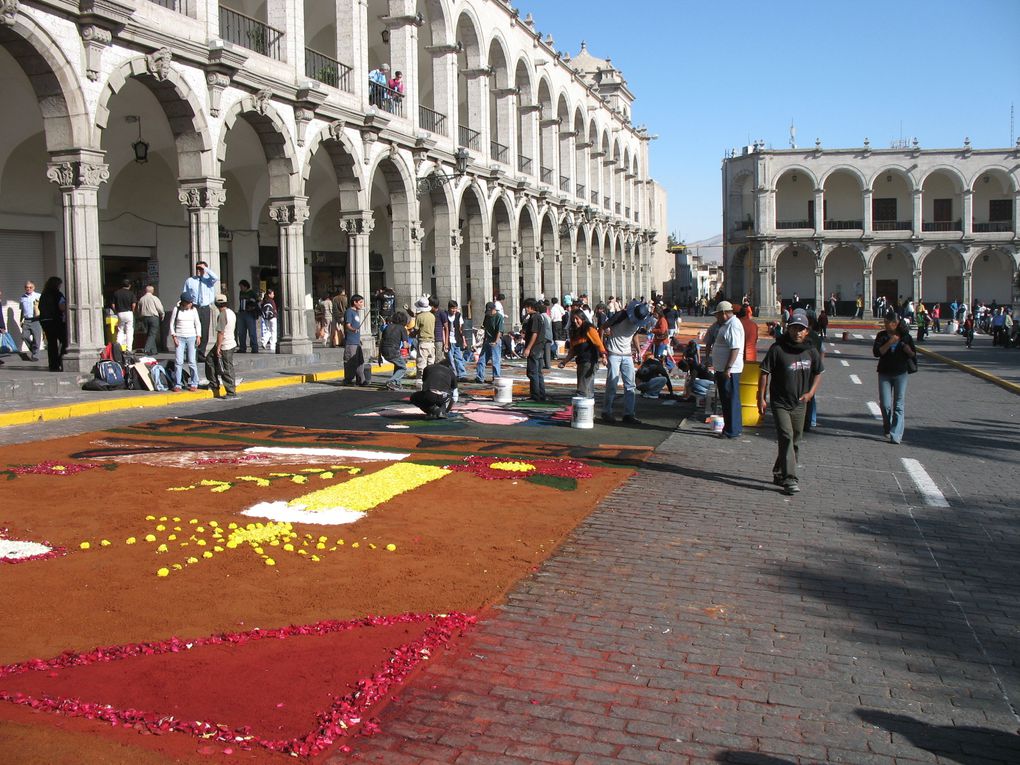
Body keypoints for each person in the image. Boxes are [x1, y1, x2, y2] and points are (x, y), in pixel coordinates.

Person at [757, 309, 824, 496]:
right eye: (794, 328)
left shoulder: (810, 351)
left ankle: (780, 471)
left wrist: (811, 393)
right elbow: (764, 372)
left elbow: (819, 372)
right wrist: (761, 397)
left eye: (801, 329)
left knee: (794, 440)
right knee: (786, 436)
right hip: (780, 402)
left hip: (800, 403)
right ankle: (790, 479)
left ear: (807, 331)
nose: (797, 332)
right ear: (788, 328)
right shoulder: (778, 349)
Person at [600, 299, 650, 425]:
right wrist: (602, 351)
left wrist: (638, 350)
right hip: (614, 353)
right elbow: (602, 328)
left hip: (627, 354)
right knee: (612, 384)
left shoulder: (638, 321)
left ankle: (629, 414)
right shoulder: (621, 315)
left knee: (630, 385)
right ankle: (606, 411)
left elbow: (634, 335)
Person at [873, 310, 917, 445]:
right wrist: (890, 342)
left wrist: (904, 346)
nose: (885, 325)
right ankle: (887, 426)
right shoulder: (882, 336)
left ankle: (896, 434)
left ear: (895, 323)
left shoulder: (905, 336)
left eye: (887, 323)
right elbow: (877, 352)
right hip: (885, 373)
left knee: (898, 405)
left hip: (900, 373)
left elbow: (912, 354)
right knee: (885, 404)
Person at [708, 300, 745, 439]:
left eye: (717, 315)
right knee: (727, 399)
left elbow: (735, 348)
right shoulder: (727, 324)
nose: (716, 318)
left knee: (730, 399)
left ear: (724, 313)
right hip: (724, 368)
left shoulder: (733, 325)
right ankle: (731, 428)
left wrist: (728, 368)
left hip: (730, 370)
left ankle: (732, 430)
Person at [559, 308, 607, 398]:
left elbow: (598, 343)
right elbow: (573, 351)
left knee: (582, 388)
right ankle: (587, 408)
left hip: (590, 361)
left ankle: (582, 408)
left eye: (577, 319)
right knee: (586, 387)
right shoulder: (574, 332)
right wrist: (564, 362)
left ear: (583, 318)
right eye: (573, 319)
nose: (575, 321)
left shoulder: (589, 328)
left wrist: (604, 356)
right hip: (581, 361)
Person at [182, 261, 217, 362]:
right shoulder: (190, 280)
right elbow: (185, 293)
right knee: (193, 331)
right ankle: (192, 354)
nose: (199, 270)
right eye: (198, 268)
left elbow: (216, 278)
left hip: (205, 308)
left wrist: (205, 269)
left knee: (204, 331)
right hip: (194, 307)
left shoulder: (209, 280)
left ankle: (201, 354)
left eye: (201, 269)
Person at [206, 293, 239, 399]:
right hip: (230, 342)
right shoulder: (231, 313)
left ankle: (230, 391)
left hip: (225, 344)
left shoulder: (223, 315)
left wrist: (218, 347)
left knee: (226, 367)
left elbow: (221, 332)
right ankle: (214, 384)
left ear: (216, 304)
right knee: (211, 360)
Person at [169, 293, 201, 392]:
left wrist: (198, 336)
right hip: (179, 337)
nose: (190, 304)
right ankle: (178, 384)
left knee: (192, 361)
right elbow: (171, 323)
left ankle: (194, 382)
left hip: (191, 337)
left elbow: (197, 323)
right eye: (188, 303)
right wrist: (174, 336)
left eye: (191, 302)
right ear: (183, 302)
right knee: (179, 361)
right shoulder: (176, 310)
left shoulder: (194, 310)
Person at [38, 276, 67, 372]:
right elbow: (62, 307)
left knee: (51, 343)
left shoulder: (43, 295)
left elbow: (40, 307)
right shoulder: (58, 294)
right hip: (55, 320)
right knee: (65, 340)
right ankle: (61, 360)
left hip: (45, 321)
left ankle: (53, 365)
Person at [521, 299, 548, 402]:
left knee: (533, 373)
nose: (526, 309)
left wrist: (528, 348)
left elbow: (535, 333)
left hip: (534, 349)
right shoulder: (537, 317)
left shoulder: (535, 317)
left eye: (527, 307)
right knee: (538, 372)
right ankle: (541, 395)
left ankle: (535, 396)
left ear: (532, 307)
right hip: (539, 348)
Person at [380, 310, 409, 390]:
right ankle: (391, 381)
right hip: (393, 351)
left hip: (384, 351)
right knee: (403, 367)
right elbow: (405, 345)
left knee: (398, 365)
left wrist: (379, 357)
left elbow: (381, 341)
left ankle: (397, 383)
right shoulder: (402, 328)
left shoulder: (387, 327)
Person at [474, 301, 503, 383]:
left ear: (493, 310)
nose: (488, 313)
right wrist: (484, 340)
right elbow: (485, 329)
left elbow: (499, 331)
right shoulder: (487, 316)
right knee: (481, 360)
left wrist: (496, 341)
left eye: (489, 311)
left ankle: (496, 378)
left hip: (495, 340)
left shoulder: (499, 317)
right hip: (487, 340)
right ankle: (480, 377)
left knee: (495, 361)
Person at [343, 294, 368, 385]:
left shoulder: (356, 312)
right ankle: (348, 380)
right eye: (360, 302)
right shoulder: (349, 312)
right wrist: (354, 330)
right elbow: (347, 325)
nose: (362, 304)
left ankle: (361, 380)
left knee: (360, 361)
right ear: (355, 302)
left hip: (357, 342)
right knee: (350, 362)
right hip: (351, 342)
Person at [441, 300, 469, 380]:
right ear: (449, 308)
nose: (454, 310)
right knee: (450, 359)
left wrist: (464, 341)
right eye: (453, 308)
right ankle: (453, 375)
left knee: (459, 357)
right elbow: (443, 329)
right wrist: (445, 342)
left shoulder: (458, 315)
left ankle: (462, 374)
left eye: (455, 308)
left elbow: (461, 329)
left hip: (457, 340)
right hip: (448, 340)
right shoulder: (445, 315)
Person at [411, 296, 437, 376]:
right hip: (432, 343)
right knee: (431, 365)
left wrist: (411, 334)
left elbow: (416, 330)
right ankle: (430, 382)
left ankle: (420, 383)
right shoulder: (432, 316)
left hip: (423, 343)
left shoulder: (419, 317)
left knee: (421, 366)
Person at [137, 285, 165, 355]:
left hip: (144, 317)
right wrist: (162, 314)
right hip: (153, 317)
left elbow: (138, 309)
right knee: (152, 334)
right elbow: (159, 308)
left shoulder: (141, 299)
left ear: (145, 291)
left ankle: (154, 351)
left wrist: (140, 315)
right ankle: (147, 349)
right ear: (152, 291)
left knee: (149, 334)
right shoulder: (154, 298)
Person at [19, 281, 42, 361]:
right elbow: (22, 310)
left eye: (30, 287)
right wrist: (20, 320)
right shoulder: (23, 297)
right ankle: (34, 350)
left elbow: (43, 308)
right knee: (24, 336)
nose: (28, 289)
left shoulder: (38, 296)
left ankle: (35, 356)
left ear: (33, 287)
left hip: (36, 320)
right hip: (26, 320)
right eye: (26, 287)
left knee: (36, 339)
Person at [111, 278, 136, 351]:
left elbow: (113, 305)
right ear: (129, 285)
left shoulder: (116, 293)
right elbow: (134, 304)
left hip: (120, 313)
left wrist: (116, 311)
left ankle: (118, 347)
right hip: (129, 313)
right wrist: (132, 311)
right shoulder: (131, 293)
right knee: (129, 331)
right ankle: (129, 348)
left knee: (120, 330)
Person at [235, 280, 260, 353]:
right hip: (242, 312)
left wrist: (253, 306)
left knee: (252, 331)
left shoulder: (252, 292)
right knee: (241, 332)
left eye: (241, 286)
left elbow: (258, 300)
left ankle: (254, 348)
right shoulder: (241, 292)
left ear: (245, 286)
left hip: (249, 313)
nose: (241, 288)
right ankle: (242, 347)